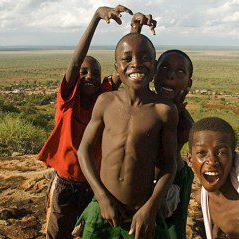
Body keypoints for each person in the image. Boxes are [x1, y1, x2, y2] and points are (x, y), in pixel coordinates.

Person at [36, 5, 132, 238]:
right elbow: (74, 64)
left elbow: (126, 66)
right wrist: (96, 18)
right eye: (85, 72)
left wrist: (135, 28)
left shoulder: (103, 96)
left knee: (88, 233)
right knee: (58, 233)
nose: (89, 76)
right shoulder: (68, 100)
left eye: (95, 73)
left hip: (94, 184)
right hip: (66, 185)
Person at [76, 33, 178, 238]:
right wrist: (102, 198)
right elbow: (83, 151)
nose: (136, 64)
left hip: (141, 211)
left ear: (155, 66)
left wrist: (151, 207)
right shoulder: (105, 102)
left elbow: (169, 164)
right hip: (103, 208)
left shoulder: (164, 110)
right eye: (127, 58)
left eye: (145, 58)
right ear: (117, 68)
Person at [130, 12, 195, 239]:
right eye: (165, 69)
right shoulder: (146, 104)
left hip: (170, 186)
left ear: (189, 83)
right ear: (154, 72)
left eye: (180, 72)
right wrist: (135, 30)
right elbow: (130, 63)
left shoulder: (184, 124)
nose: (170, 77)